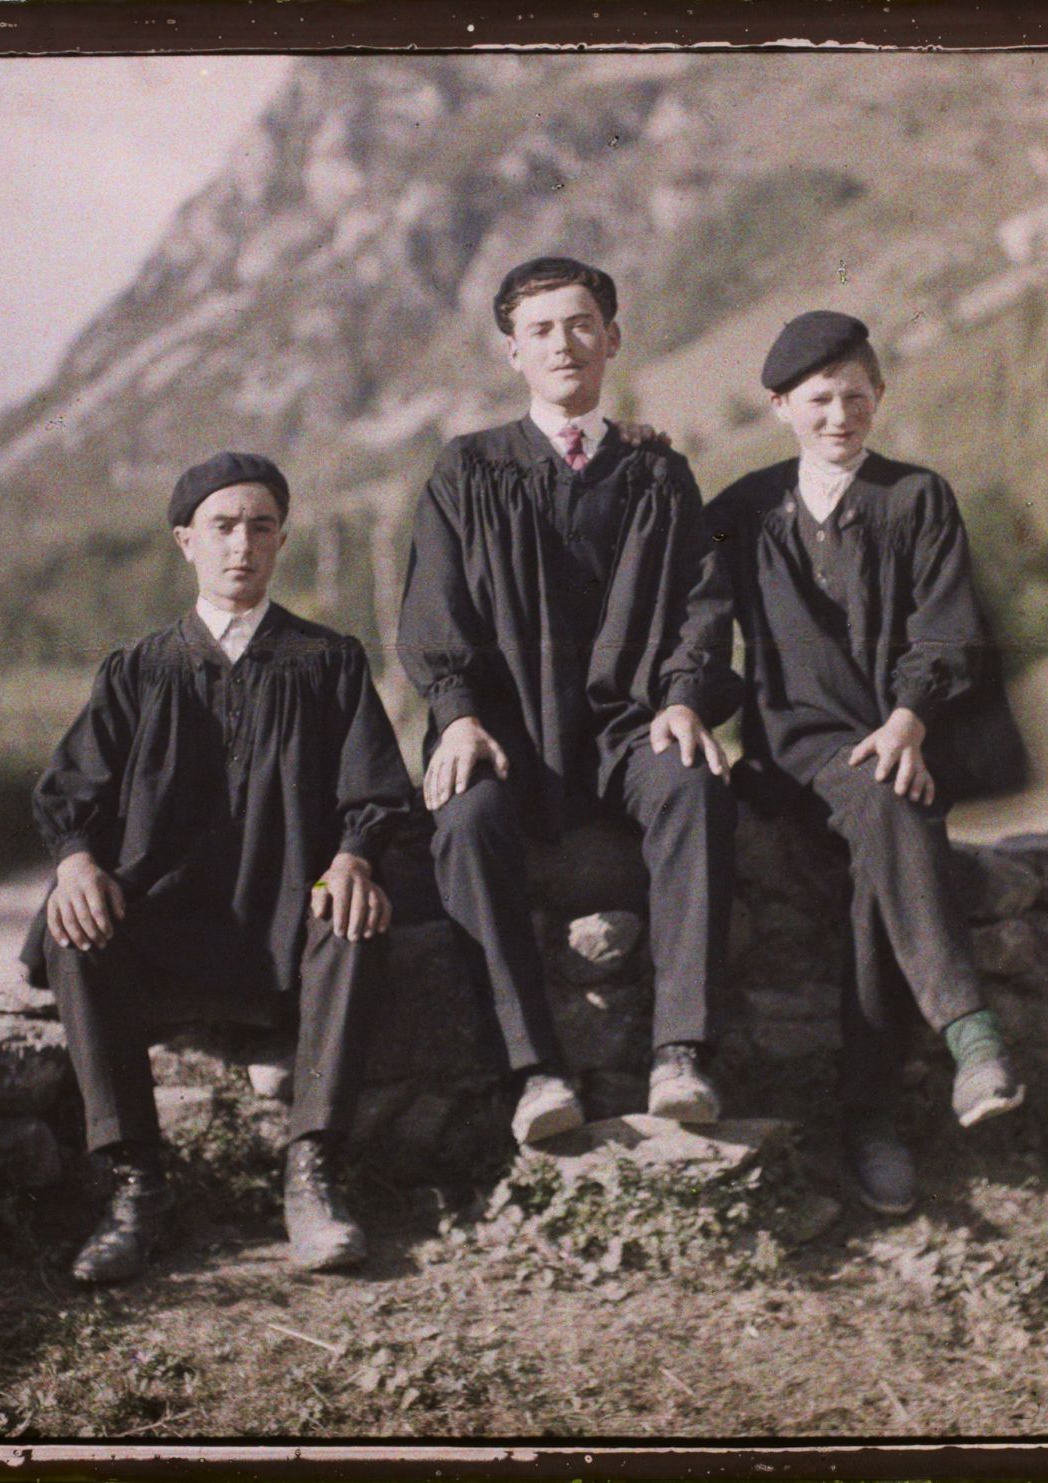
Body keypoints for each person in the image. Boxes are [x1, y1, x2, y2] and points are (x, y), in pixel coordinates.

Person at [18, 451, 413, 1282]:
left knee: (355, 915)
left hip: (284, 919)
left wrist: (353, 856)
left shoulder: (328, 662)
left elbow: (375, 789)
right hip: (164, 919)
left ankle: (313, 1175)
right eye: (223, 526)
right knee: (71, 926)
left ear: (281, 541)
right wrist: (78, 859)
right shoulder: (139, 670)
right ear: (185, 542)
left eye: (261, 526)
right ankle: (135, 1188)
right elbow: (70, 787)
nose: (243, 545)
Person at [397, 255, 743, 1146]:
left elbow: (704, 601)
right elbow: (435, 608)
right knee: (465, 821)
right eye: (542, 329)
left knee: (696, 785)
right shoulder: (468, 471)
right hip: (508, 732)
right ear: (513, 352)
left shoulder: (657, 473)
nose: (564, 343)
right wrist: (458, 712)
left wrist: (682, 696)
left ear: (613, 338)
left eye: (581, 323)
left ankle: (681, 1052)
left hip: (629, 725)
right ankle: (536, 1069)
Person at [705, 310, 1029, 1216]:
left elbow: (947, 629)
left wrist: (909, 720)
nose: (839, 416)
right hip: (794, 756)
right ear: (780, 407)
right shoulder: (741, 513)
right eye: (818, 400)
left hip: (896, 742)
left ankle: (872, 1123)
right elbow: (686, 605)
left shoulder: (916, 498)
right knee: (892, 811)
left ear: (880, 397)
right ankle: (967, 1034)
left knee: (873, 868)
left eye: (856, 396)